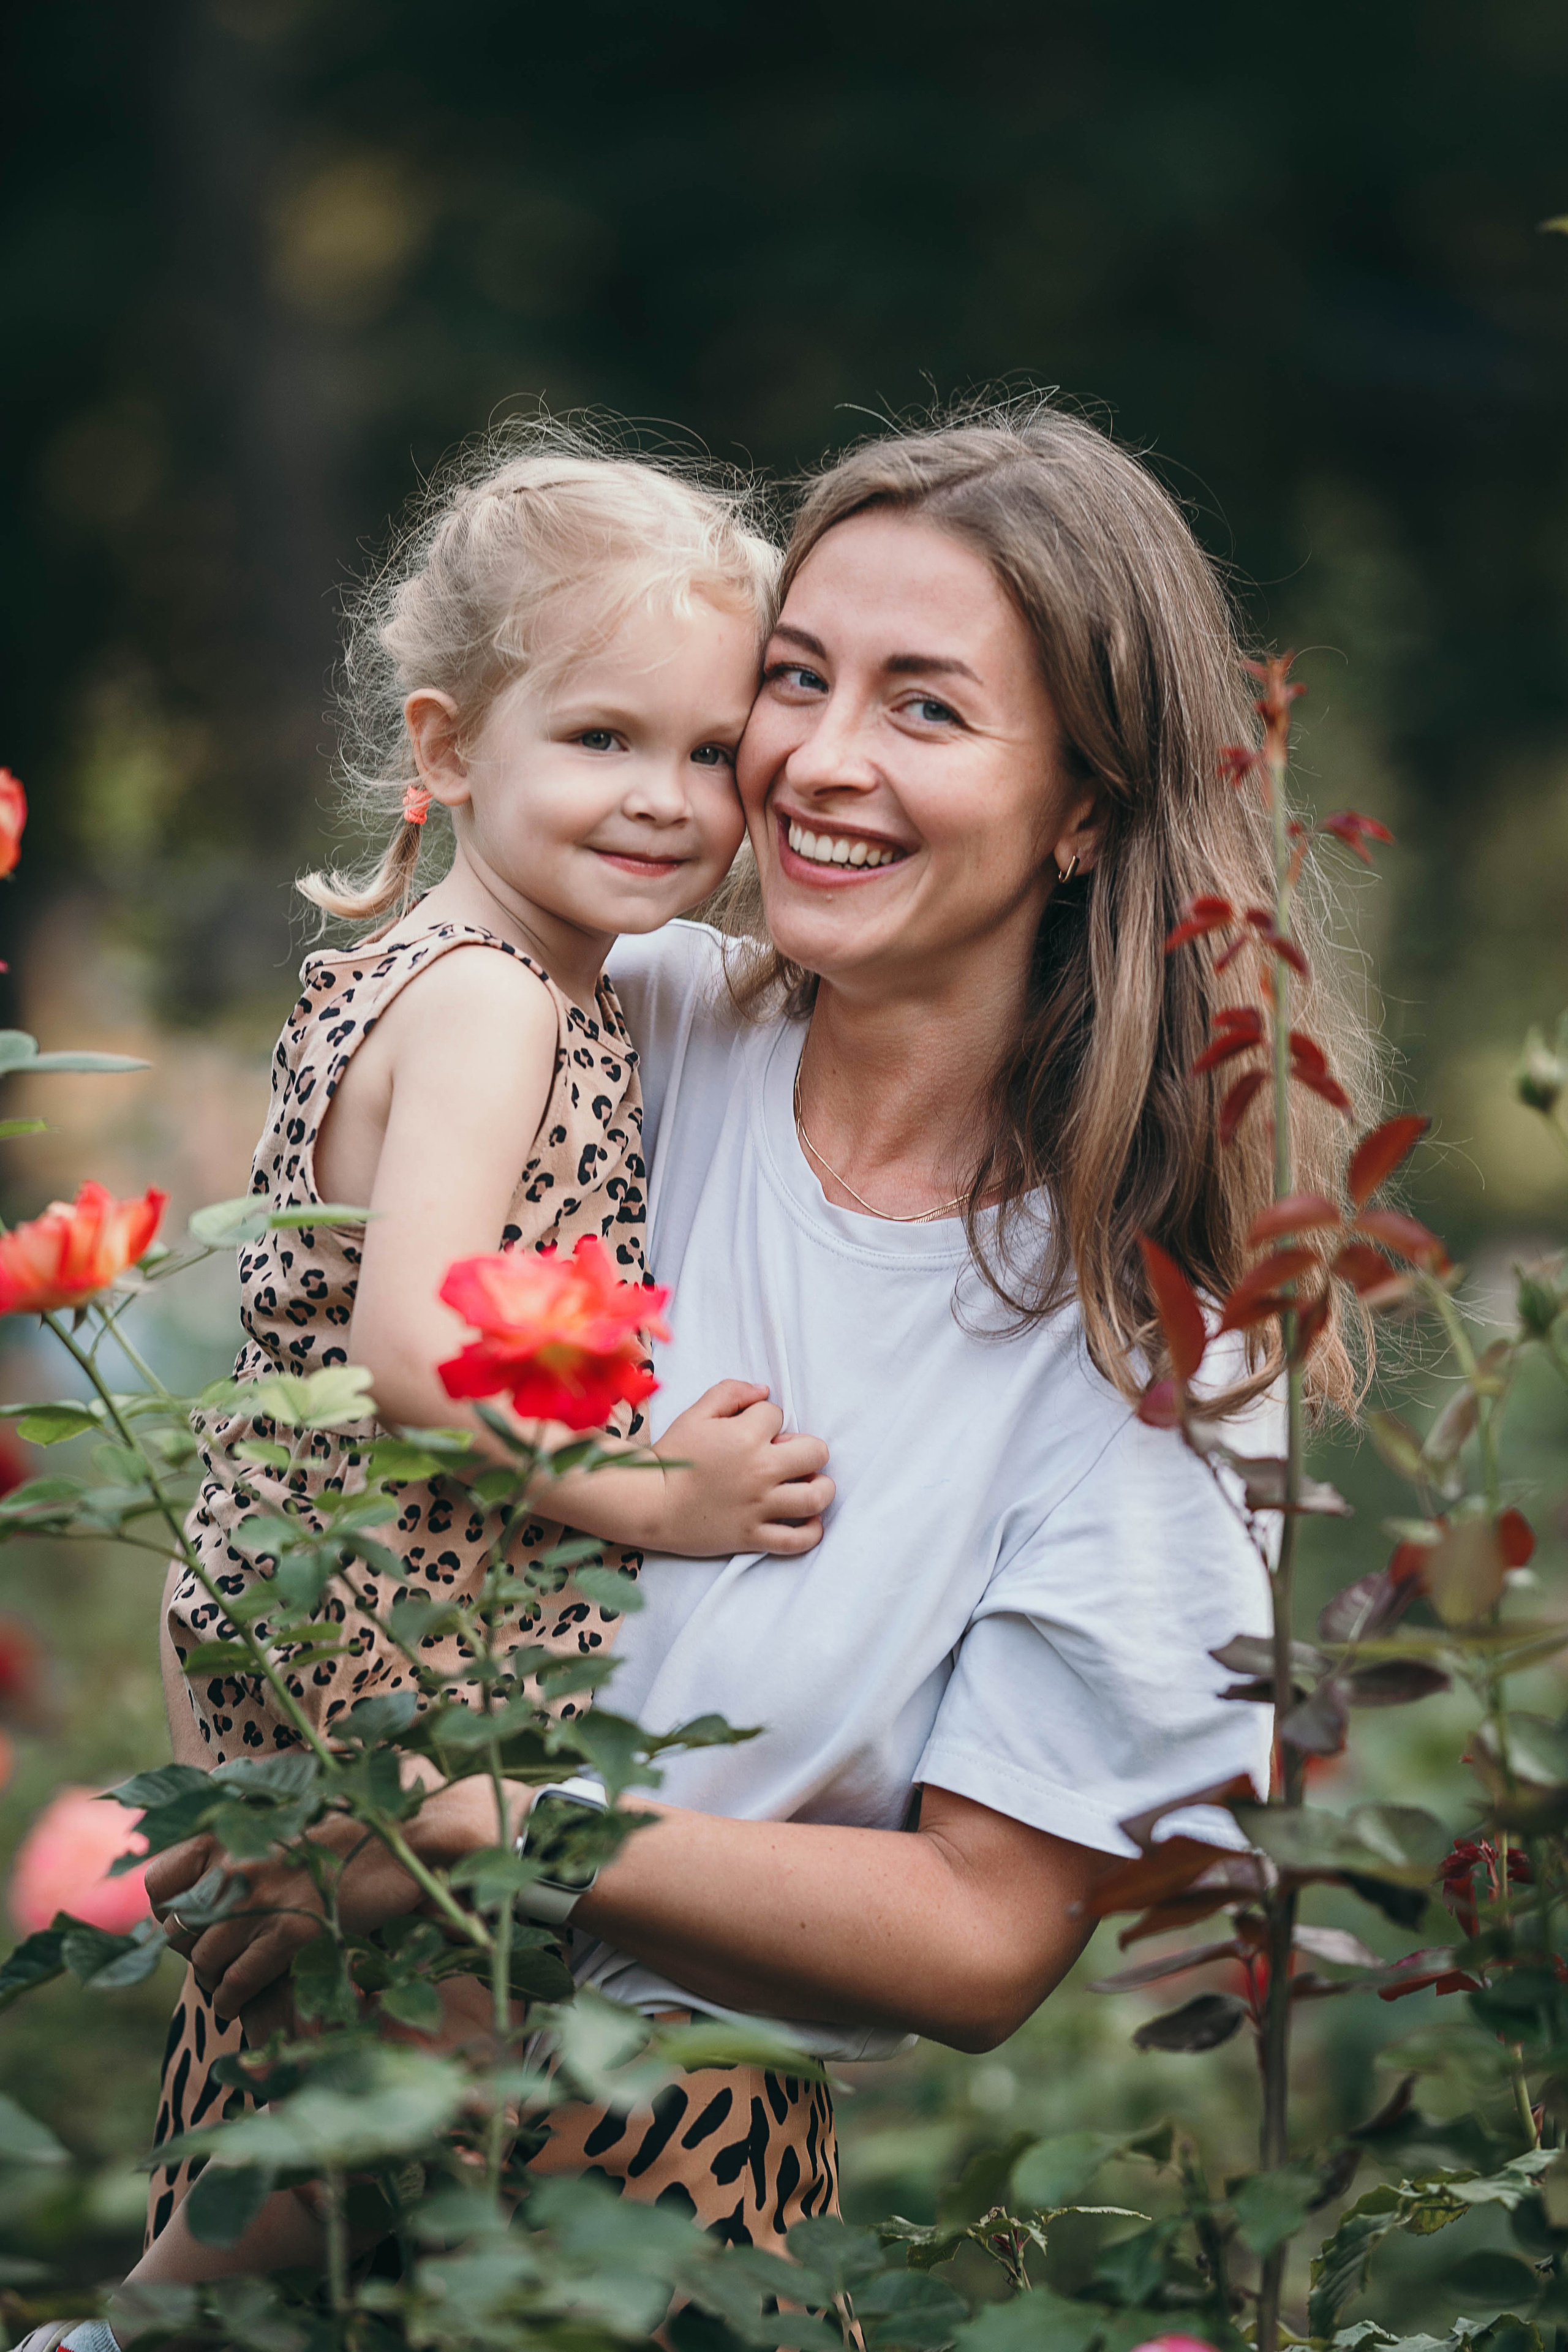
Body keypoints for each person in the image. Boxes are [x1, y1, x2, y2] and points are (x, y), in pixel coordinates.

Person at [143, 402, 1374, 2259]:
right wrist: (257, 1766)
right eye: (796, 679)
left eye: (928, 707)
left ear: (1084, 815)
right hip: (290, 2069)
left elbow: (980, 1938)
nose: (815, 762)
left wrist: (478, 1822)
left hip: (657, 2172)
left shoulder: (1155, 1339)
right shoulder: (591, 1007)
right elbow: (304, 1393)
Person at [135, 430, 837, 2283]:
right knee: (413, 2098)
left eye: (708, 752)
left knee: (372, 2086)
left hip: (353, 1580)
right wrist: (660, 1504)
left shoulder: (496, 975)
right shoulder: (488, 1005)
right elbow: (415, 1359)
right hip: (370, 1597)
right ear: (447, 750)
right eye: (602, 740)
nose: (671, 801)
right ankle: (131, 2334)